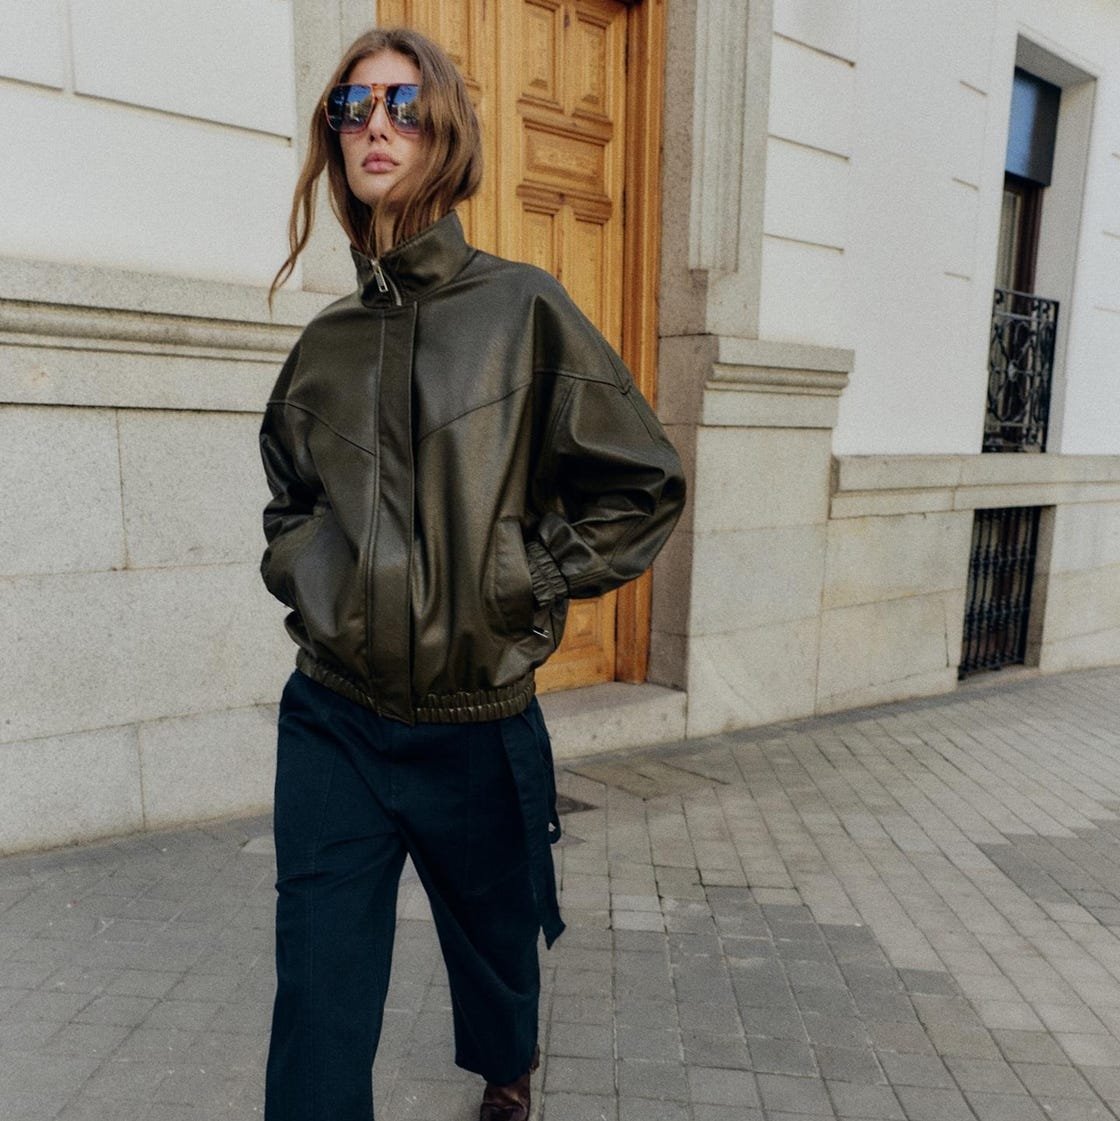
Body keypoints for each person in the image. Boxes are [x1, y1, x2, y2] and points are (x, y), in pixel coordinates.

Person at [258, 25, 685, 1121]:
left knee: (497, 942)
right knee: (317, 993)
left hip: (477, 720)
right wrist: (314, 574)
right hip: (334, 721)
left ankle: (506, 1070)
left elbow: (642, 483)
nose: (376, 126)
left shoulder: (524, 308)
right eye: (353, 108)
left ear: (444, 130)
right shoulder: (325, 345)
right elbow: (290, 501)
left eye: (402, 104)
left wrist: (519, 579)